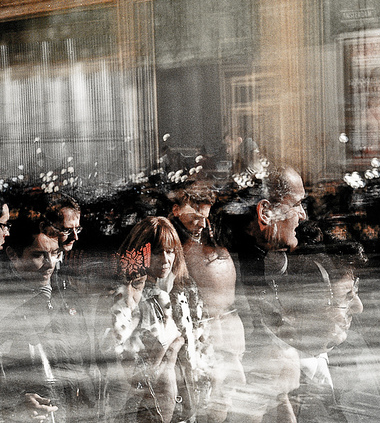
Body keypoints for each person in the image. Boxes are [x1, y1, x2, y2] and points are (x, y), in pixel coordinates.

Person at [0, 215, 97, 422]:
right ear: (13, 254)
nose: (49, 263)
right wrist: (15, 403)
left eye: (55, 253)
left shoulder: (67, 298)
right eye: (38, 255)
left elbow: (84, 363)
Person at [95, 216, 210, 423]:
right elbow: (125, 372)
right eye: (157, 252)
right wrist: (169, 350)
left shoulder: (182, 290)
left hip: (182, 403)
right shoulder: (126, 297)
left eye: (170, 251)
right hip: (143, 409)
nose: (165, 259)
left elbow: (198, 346)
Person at [221, 165, 307, 422]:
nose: (303, 215)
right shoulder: (227, 274)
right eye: (297, 204)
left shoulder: (258, 260)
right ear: (265, 212)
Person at [169, 182, 247, 422]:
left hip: (220, 336)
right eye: (195, 217)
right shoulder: (169, 248)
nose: (202, 224)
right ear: (176, 210)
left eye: (205, 217)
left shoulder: (212, 240)